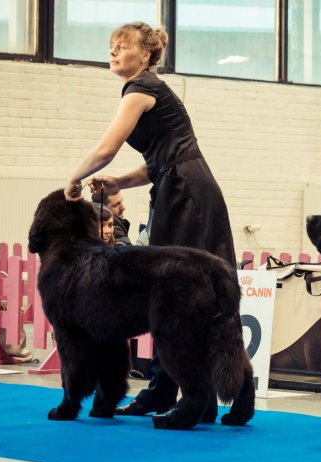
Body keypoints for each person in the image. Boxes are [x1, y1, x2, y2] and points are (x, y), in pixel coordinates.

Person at [63, 22, 236, 419]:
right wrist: (120, 182)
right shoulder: (149, 89)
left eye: (121, 46)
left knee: (172, 292)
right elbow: (159, 161)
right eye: (110, 45)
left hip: (185, 194)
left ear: (144, 56)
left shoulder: (140, 88)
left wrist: (74, 179)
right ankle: (187, 396)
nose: (112, 51)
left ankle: (175, 394)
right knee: (184, 294)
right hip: (182, 187)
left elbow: (107, 148)